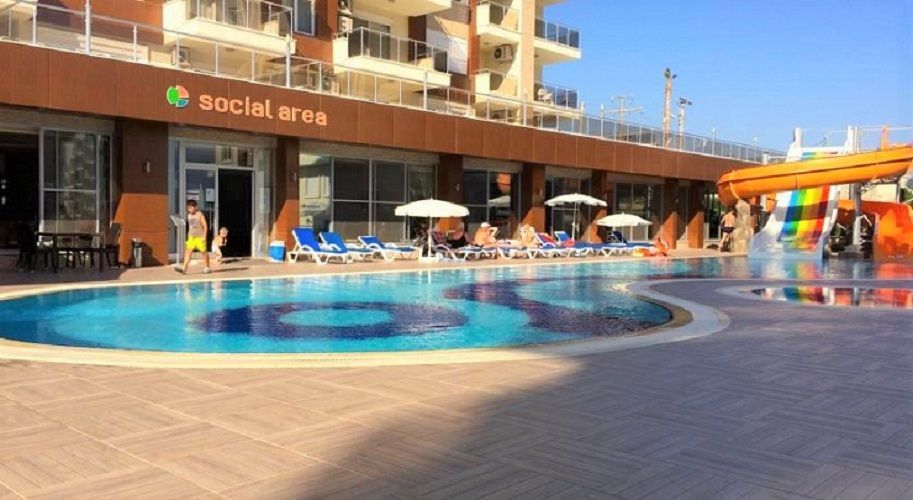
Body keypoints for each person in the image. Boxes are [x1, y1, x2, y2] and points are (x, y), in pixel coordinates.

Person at [179, 200, 210, 274]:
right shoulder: (189, 215)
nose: (189, 209)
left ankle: (207, 267)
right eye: (188, 208)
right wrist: (188, 236)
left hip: (200, 237)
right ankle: (184, 268)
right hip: (191, 237)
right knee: (188, 252)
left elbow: (205, 226)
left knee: (203, 253)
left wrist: (204, 236)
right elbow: (191, 227)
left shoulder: (200, 215)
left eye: (190, 208)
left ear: (196, 207)